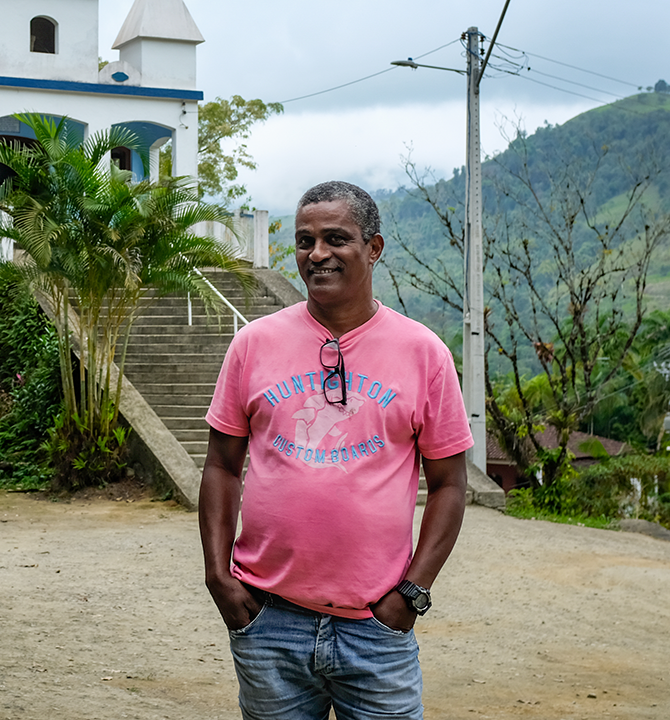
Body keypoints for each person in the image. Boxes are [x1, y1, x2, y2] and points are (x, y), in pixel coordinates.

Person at [199, 180, 473, 720]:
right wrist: (217, 575)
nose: (317, 254)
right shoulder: (253, 343)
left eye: (335, 239)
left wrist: (411, 595)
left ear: (373, 248)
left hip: (375, 628)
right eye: (304, 241)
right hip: (267, 620)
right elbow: (221, 467)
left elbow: (449, 485)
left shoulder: (424, 354)